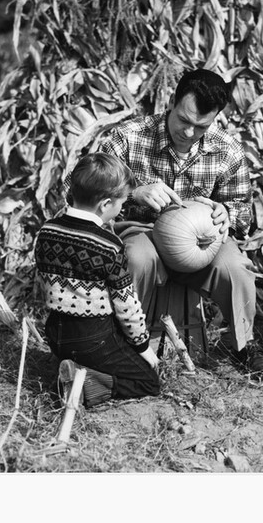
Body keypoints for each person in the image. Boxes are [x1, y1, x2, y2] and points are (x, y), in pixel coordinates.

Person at [97, 68, 263, 375]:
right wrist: (132, 194)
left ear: (215, 118)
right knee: (137, 259)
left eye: (201, 126)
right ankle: (121, 344)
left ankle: (244, 346)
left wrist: (226, 213)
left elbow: (242, 213)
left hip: (200, 242)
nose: (190, 132)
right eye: (184, 120)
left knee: (234, 267)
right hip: (144, 231)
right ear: (171, 101)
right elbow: (84, 193)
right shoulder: (126, 139)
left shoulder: (227, 151)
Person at [34, 152, 160, 408]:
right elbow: (127, 307)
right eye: (121, 203)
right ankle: (84, 382)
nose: (122, 209)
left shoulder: (46, 231)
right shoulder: (109, 245)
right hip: (93, 338)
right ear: (105, 205)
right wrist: (143, 347)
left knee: (94, 343)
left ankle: (68, 363)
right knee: (149, 383)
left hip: (56, 331)